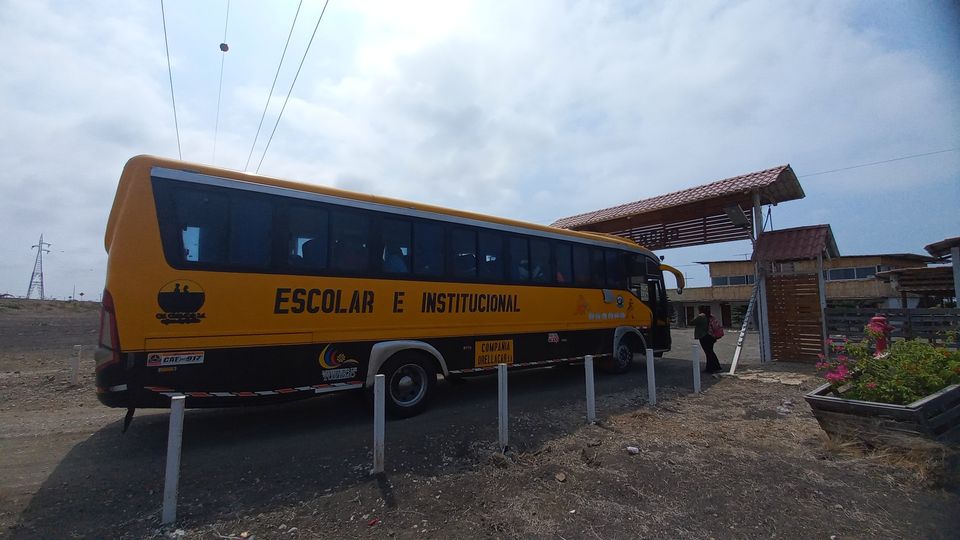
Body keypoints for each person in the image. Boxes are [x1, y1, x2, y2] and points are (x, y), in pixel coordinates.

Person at [693, 306, 723, 373]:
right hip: (712, 336)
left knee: (709, 353)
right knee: (710, 352)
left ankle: (714, 368)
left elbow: (692, 322)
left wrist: (698, 316)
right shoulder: (711, 317)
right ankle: (711, 367)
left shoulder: (701, 317)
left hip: (705, 337)